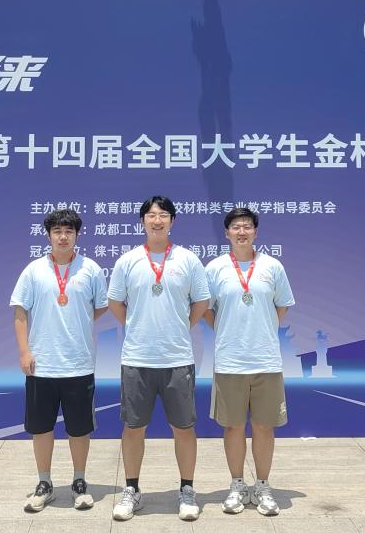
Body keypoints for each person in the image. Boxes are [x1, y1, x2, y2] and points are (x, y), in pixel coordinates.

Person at [106, 195, 210, 521]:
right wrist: (137, 326)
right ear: (142, 221)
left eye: (164, 214)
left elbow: (201, 302)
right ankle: (132, 490)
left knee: (184, 428)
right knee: (133, 428)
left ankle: (187, 490)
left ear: (172, 221)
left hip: (177, 359)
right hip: (137, 358)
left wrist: (180, 326)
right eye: (151, 215)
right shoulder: (128, 261)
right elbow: (115, 303)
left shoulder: (188, 260)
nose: (157, 220)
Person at [10, 208, 108, 512]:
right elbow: (20, 312)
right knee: (41, 427)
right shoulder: (33, 270)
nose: (63, 237)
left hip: (78, 363)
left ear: (77, 235)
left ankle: (79, 481)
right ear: (49, 235)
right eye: (57, 232)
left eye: (68, 231)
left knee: (79, 428)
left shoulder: (90, 269)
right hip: (42, 364)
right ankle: (45, 483)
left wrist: (77, 322)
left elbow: (100, 306)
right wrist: (24, 351)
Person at [204, 207, 295, 516]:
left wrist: (262, 329)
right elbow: (205, 309)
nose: (241, 232)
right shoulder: (215, 268)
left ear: (256, 232)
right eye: (235, 227)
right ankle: (237, 485)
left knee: (264, 427)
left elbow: (282, 306)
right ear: (226, 233)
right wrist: (226, 329)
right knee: (233, 427)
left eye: (246, 226)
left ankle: (263, 486)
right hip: (230, 361)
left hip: (266, 361)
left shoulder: (272, 266)